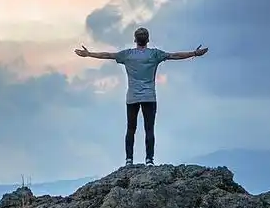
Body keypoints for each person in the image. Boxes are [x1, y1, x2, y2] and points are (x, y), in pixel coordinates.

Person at [74, 26, 209, 166]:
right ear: (148, 40)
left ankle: (129, 160)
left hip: (132, 97)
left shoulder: (127, 55)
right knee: (149, 129)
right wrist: (194, 53)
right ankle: (149, 160)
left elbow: (107, 55)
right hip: (149, 97)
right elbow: (175, 56)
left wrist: (89, 54)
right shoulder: (155, 54)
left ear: (135, 40)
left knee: (131, 129)